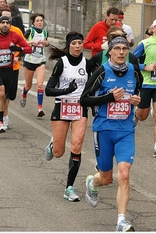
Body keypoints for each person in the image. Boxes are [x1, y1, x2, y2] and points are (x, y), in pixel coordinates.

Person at [80, 36, 143, 232]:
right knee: (106, 179)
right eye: (118, 49)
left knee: (124, 174)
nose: (122, 52)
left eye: (125, 48)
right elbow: (84, 99)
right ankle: (93, 181)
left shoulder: (133, 70)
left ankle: (121, 220)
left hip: (125, 131)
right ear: (110, 52)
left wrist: (136, 100)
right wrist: (109, 97)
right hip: (104, 130)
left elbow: (138, 90)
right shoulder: (101, 72)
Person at [44, 31, 95, 202]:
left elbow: (94, 85)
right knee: (59, 153)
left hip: (80, 107)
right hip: (62, 106)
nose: (77, 46)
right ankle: (53, 144)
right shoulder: (61, 63)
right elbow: (48, 90)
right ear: (69, 46)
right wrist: (66, 90)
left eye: (80, 43)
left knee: (77, 144)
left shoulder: (87, 64)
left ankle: (69, 188)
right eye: (74, 43)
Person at [0, 16, 32, 133]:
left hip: (9, 70)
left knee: (7, 96)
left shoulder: (15, 35)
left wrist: (17, 48)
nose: (5, 25)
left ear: (10, 24)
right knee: (1, 93)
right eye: (2, 22)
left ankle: (2, 116)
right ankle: (0, 122)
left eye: (7, 23)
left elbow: (29, 49)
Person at [132, 18, 156, 159]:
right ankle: (136, 115)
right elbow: (131, 61)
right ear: (152, 29)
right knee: (143, 116)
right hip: (146, 84)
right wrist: (145, 67)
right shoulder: (145, 44)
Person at [0, 8, 24, 130]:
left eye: (9, 18)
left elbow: (23, 47)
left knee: (10, 95)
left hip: (13, 67)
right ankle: (3, 117)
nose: (6, 21)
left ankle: (2, 115)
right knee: (2, 93)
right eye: (4, 18)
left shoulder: (17, 32)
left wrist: (18, 57)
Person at [20, 13, 49, 117]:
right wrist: (32, 41)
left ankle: (40, 108)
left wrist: (46, 43)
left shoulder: (45, 32)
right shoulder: (30, 31)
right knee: (28, 85)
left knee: (40, 84)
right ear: (33, 22)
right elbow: (22, 42)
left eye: (41, 20)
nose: (40, 22)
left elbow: (46, 43)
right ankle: (24, 94)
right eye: (37, 21)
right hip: (29, 61)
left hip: (40, 61)